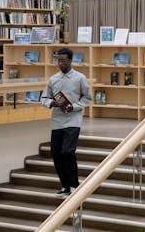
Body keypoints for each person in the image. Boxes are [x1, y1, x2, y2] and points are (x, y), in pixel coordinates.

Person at [41, 47, 92, 196]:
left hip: (73, 121)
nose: (60, 63)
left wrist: (73, 107)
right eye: (58, 60)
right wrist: (51, 103)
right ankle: (65, 185)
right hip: (57, 121)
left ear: (70, 60)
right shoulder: (53, 79)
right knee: (56, 153)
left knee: (67, 152)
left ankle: (74, 184)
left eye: (63, 60)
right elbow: (44, 98)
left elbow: (87, 98)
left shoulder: (80, 78)